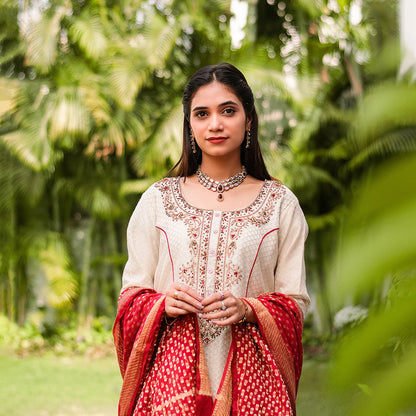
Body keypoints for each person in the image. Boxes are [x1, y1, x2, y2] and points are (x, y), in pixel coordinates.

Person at [113, 63, 310, 416]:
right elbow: (131, 295)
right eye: (201, 114)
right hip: (169, 383)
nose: (215, 124)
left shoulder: (280, 204)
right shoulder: (158, 200)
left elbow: (295, 302)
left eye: (228, 111)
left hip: (254, 386)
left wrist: (250, 309)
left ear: (249, 120)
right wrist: (162, 303)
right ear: (190, 125)